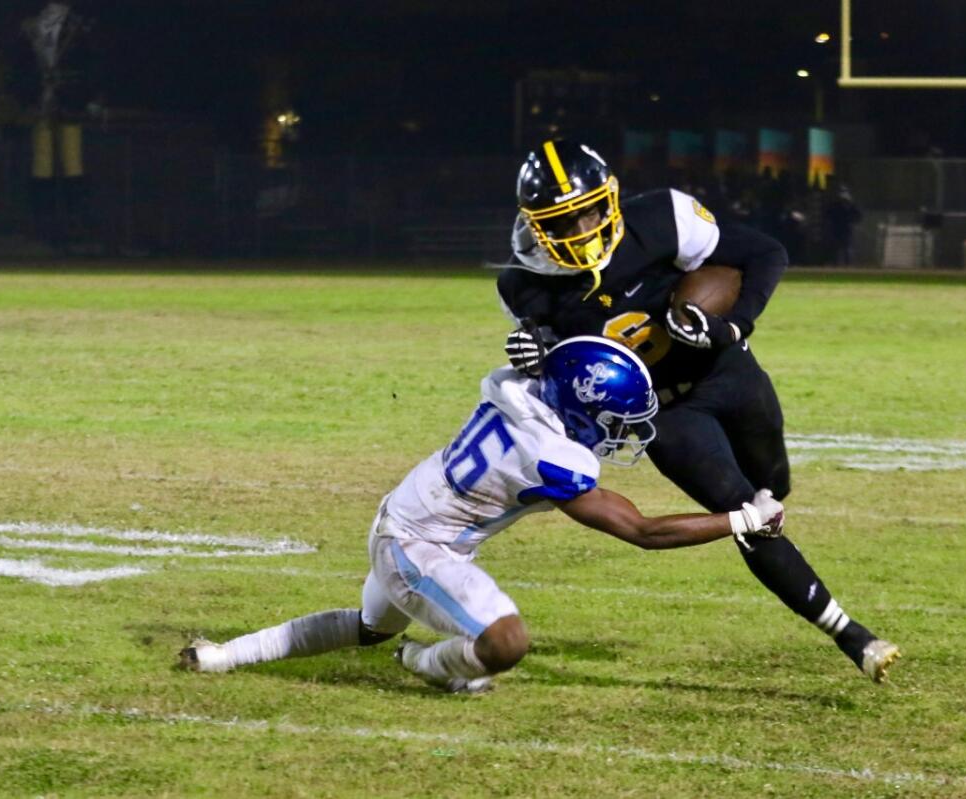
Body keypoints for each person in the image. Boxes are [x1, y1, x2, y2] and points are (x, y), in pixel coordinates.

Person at [498, 140, 900, 682]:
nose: (580, 229)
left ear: (609, 198)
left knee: (773, 486)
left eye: (587, 211)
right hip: (661, 414)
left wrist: (733, 326)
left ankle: (784, 531)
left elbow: (763, 253)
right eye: (561, 221)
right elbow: (561, 379)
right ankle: (852, 635)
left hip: (724, 370)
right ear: (536, 224)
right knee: (751, 518)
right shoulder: (524, 284)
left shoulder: (662, 219)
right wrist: (537, 358)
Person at [178, 337, 787, 693]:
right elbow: (642, 531)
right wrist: (744, 519)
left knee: (367, 628)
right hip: (418, 546)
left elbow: (546, 360)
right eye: (612, 421)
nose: (617, 435)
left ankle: (221, 656)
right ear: (583, 408)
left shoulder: (516, 386)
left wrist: (538, 338)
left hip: (403, 517)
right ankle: (425, 663)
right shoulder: (552, 455)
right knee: (504, 641)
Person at [825, 184, 863, 265]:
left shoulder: (850, 205)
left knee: (847, 249)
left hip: (847, 230)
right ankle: (835, 266)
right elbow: (828, 215)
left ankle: (848, 266)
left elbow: (858, 216)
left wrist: (850, 207)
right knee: (836, 249)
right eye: (841, 192)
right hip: (836, 229)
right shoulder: (834, 205)